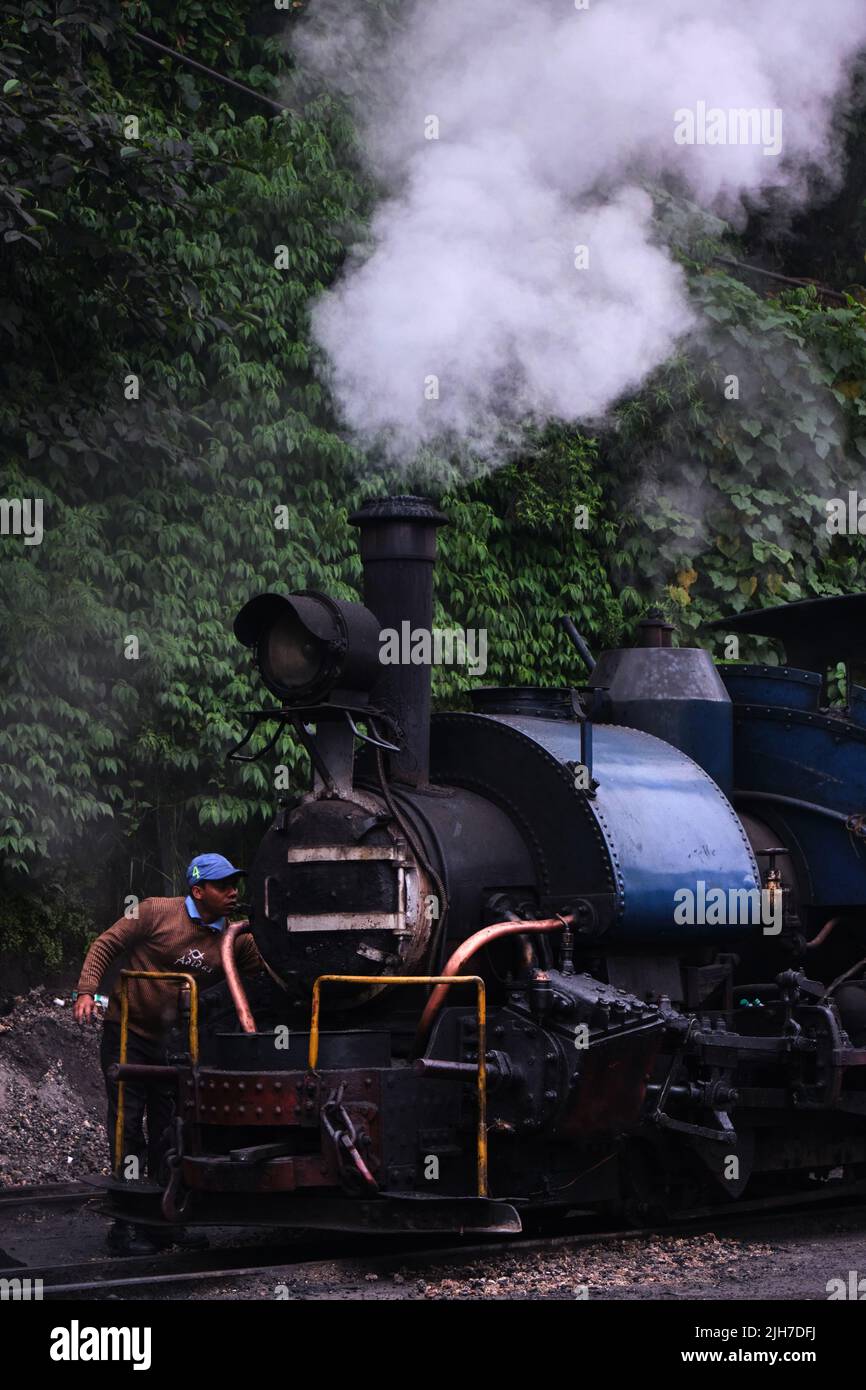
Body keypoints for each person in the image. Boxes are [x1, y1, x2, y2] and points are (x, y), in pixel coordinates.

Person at [74, 853, 262, 1255]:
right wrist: (87, 991)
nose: (233, 893)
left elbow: (261, 975)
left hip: (177, 1046)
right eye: (224, 886)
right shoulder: (155, 912)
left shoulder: (234, 938)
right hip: (129, 1033)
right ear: (198, 891)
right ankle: (124, 1227)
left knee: (170, 1131)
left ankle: (165, 1224)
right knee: (127, 1127)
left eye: (235, 885)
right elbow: (106, 943)